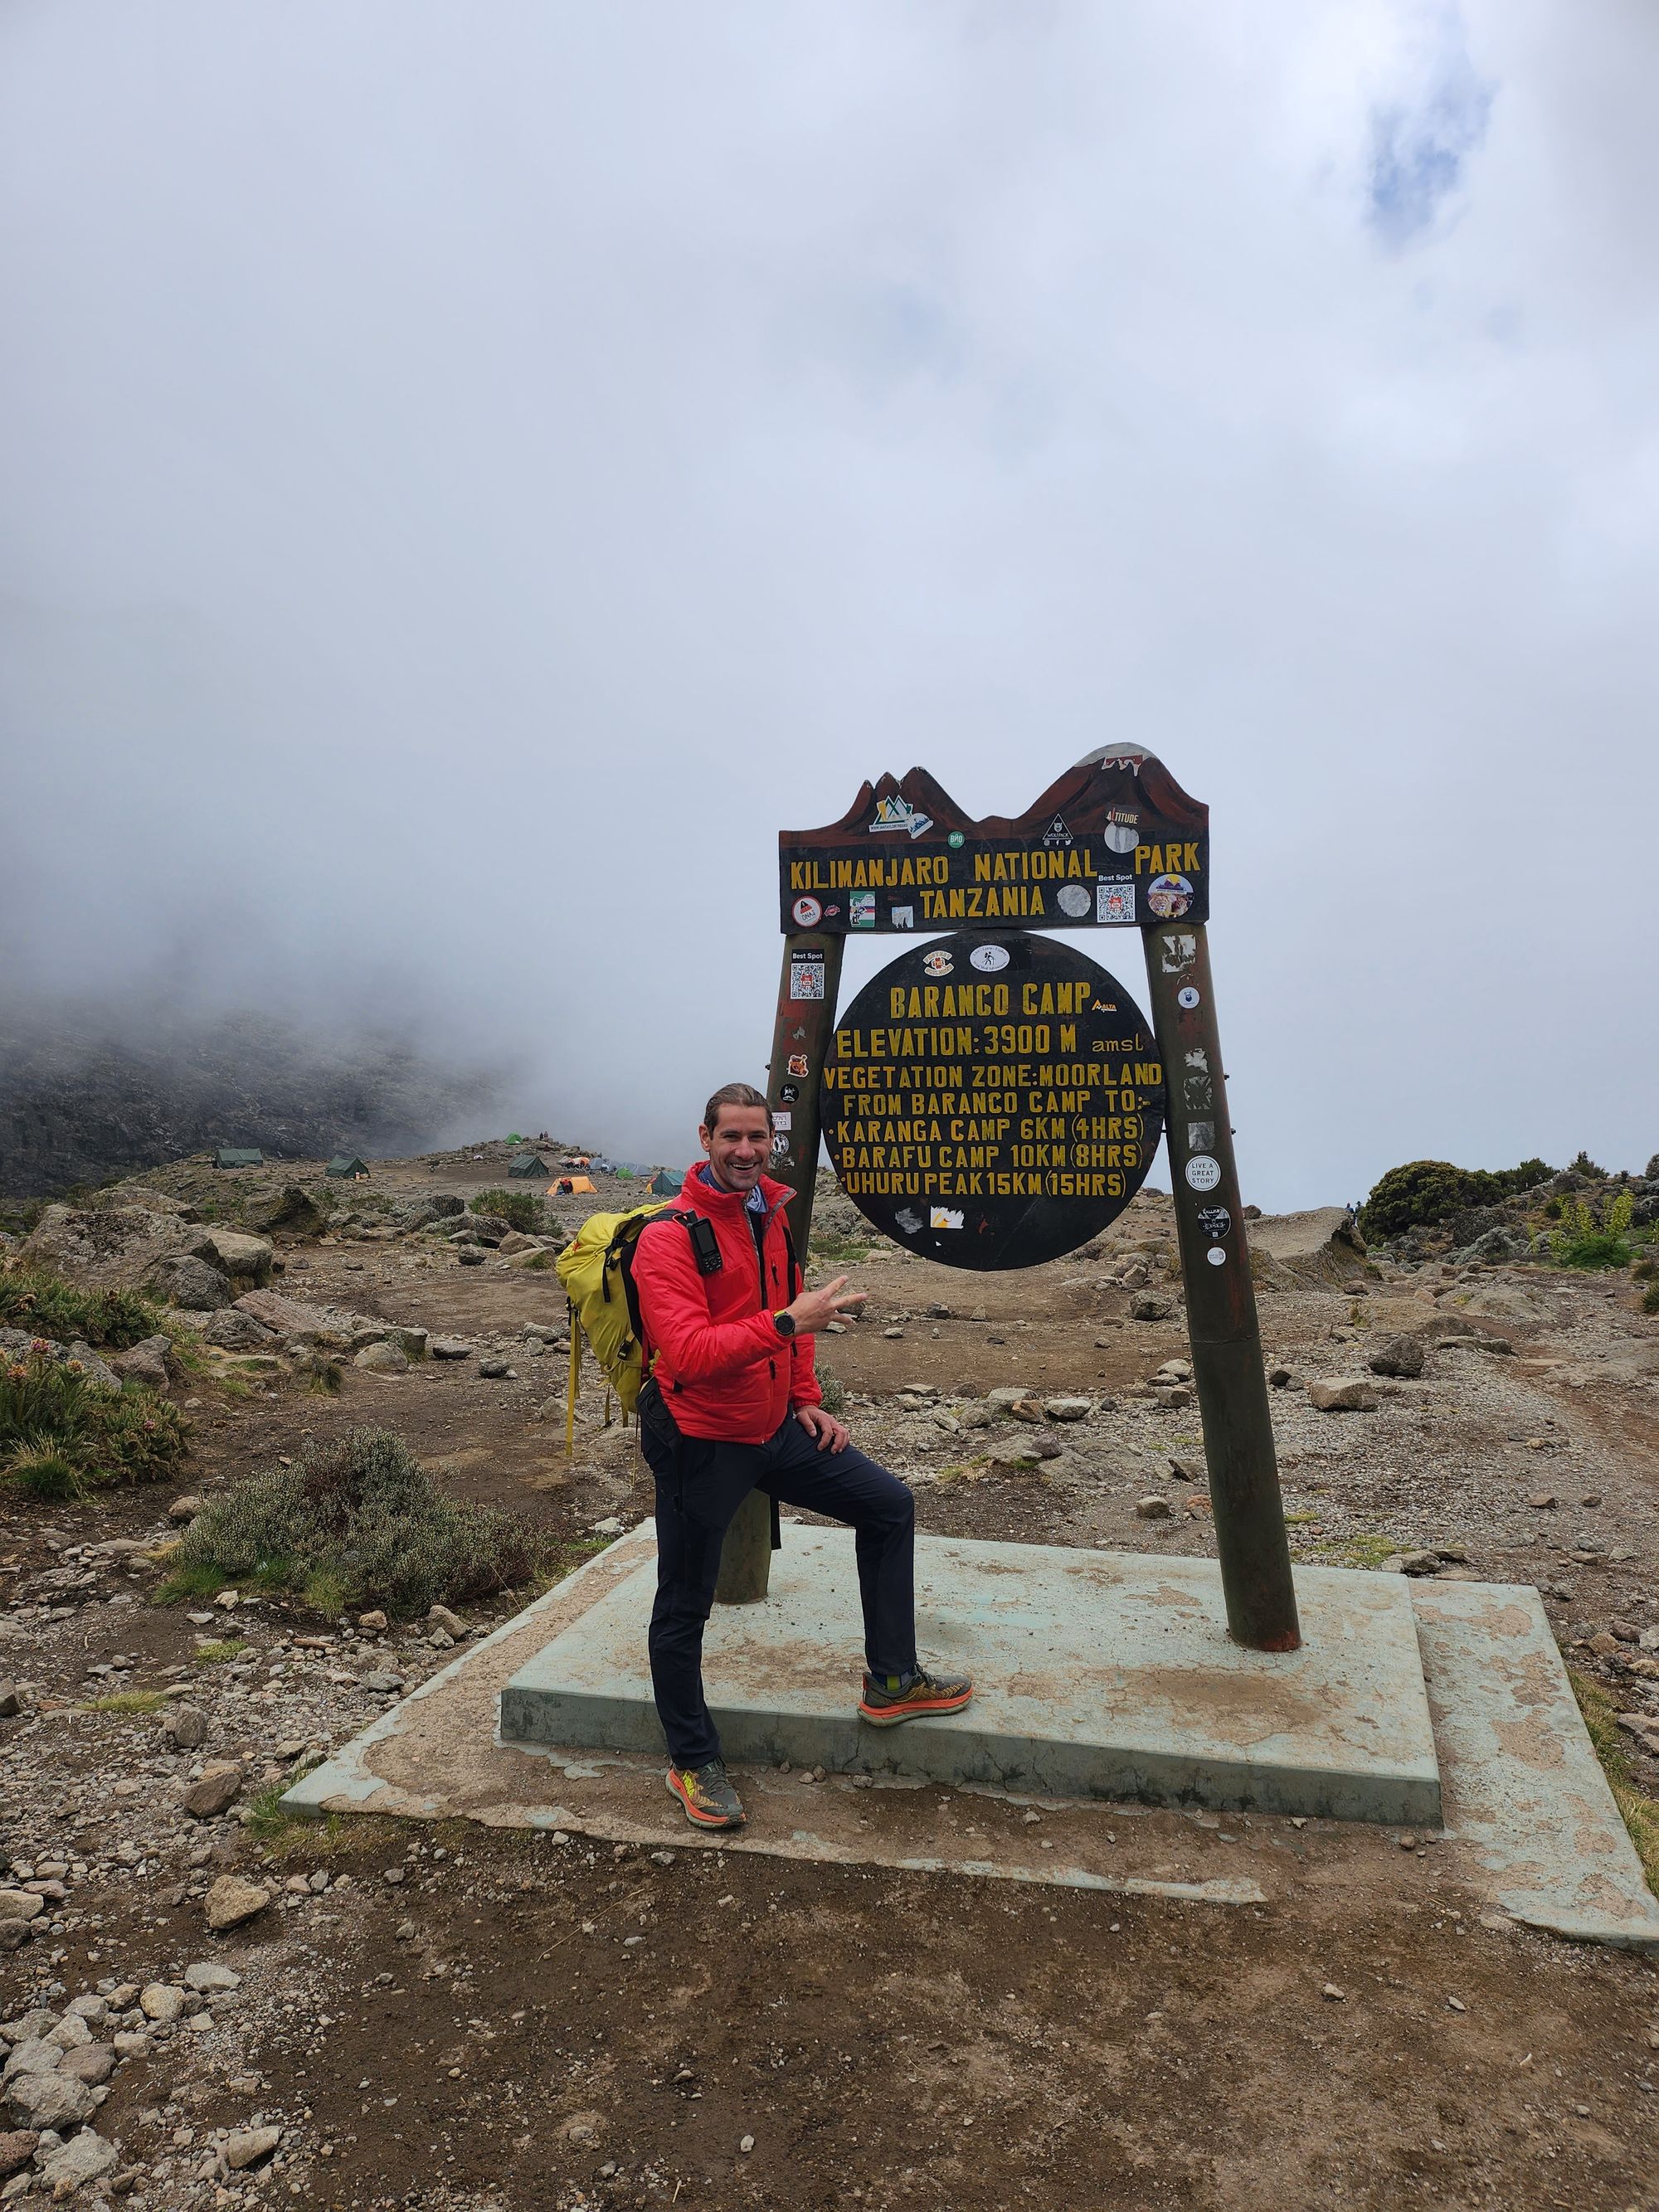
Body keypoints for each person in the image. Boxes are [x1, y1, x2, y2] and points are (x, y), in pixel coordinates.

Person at [630, 1082, 973, 1830]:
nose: (746, 1151)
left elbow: (797, 1317)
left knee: (888, 1505)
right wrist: (788, 1319)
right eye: (732, 1138)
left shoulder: (770, 1218)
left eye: (758, 1137)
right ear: (705, 1138)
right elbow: (686, 1354)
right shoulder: (669, 1236)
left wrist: (805, 1396)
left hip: (774, 1427)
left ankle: (891, 1679)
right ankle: (691, 1758)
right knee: (684, 1603)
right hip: (699, 1439)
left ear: (771, 1140)